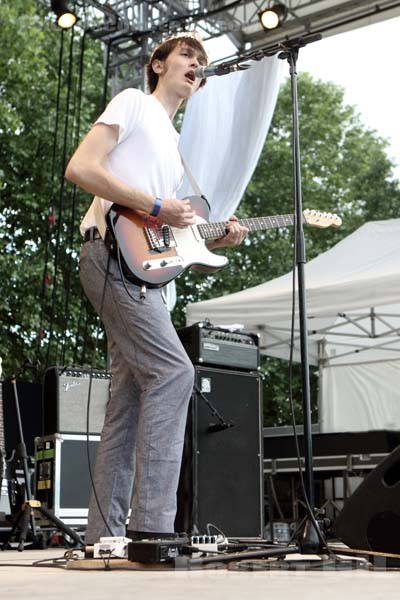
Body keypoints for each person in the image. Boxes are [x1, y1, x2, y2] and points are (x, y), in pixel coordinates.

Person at [65, 34, 248, 545]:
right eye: (188, 56)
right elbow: (81, 168)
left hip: (139, 274)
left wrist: (217, 235)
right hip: (107, 257)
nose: (196, 65)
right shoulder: (134, 103)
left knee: (126, 402)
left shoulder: (174, 146)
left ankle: (105, 537)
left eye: (202, 62)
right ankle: (152, 529)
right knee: (174, 371)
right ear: (158, 64)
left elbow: (167, 241)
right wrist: (153, 205)